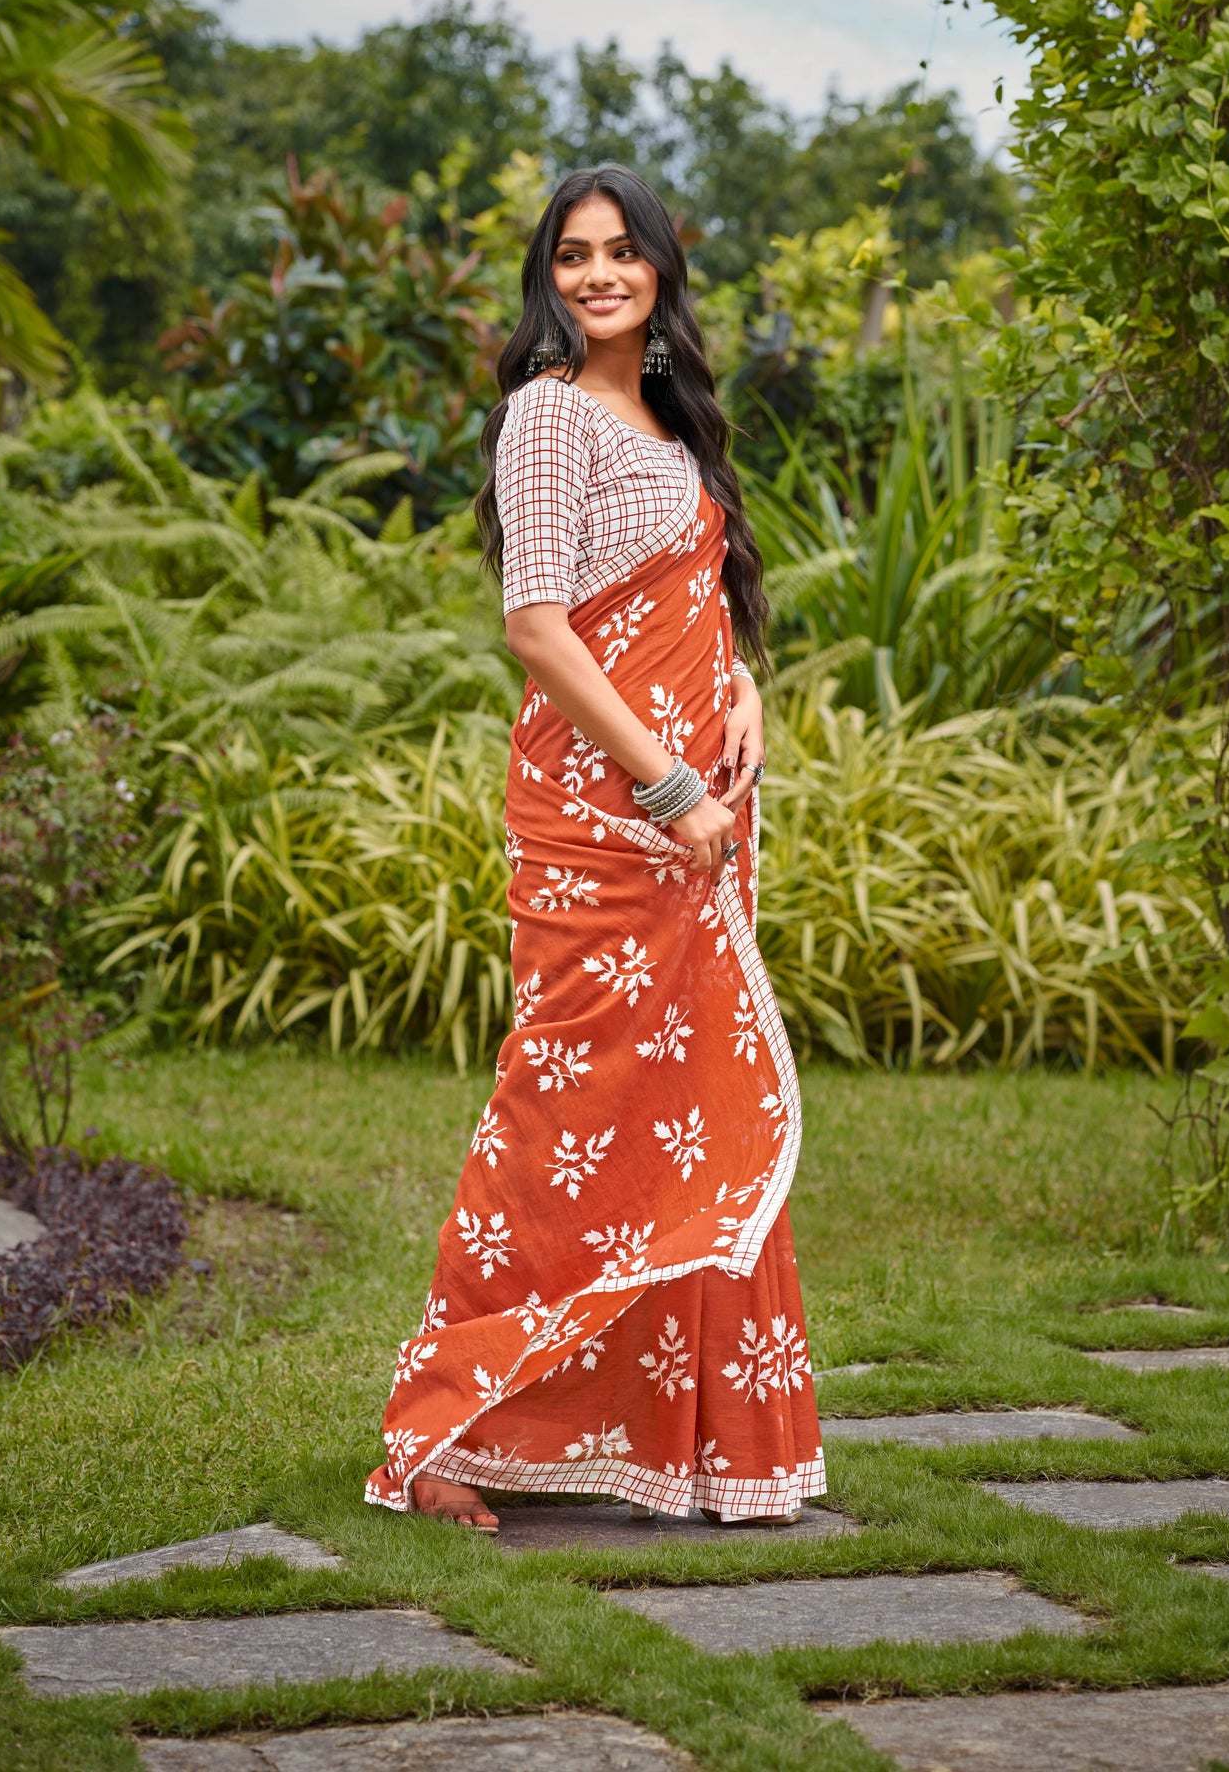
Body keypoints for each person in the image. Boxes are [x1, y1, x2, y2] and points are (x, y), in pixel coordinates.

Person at [364, 165, 824, 1531]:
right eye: (573, 255)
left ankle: (688, 1442)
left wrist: (739, 692)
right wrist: (672, 778)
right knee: (558, 1114)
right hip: (604, 820)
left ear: (664, 270)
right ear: (546, 278)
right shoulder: (546, 418)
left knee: (685, 1118)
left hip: (697, 825)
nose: (598, 274)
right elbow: (537, 625)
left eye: (623, 252)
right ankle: (439, 1427)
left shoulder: (671, 426)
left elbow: (700, 601)